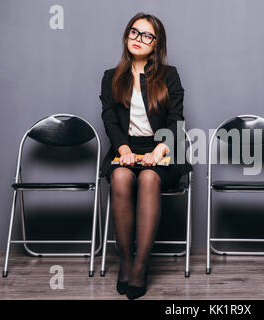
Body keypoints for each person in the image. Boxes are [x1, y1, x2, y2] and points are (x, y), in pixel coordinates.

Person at [99, 12, 193, 300]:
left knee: (150, 178)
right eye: (134, 32)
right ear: (127, 35)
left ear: (157, 44)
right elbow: (110, 120)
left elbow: (176, 120)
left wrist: (158, 151)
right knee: (120, 176)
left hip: (162, 149)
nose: (139, 39)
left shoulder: (169, 75)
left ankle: (141, 267)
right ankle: (126, 262)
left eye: (147, 35)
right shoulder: (110, 77)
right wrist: (123, 150)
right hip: (125, 148)